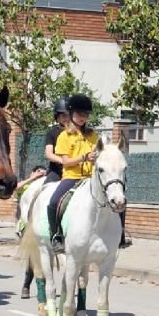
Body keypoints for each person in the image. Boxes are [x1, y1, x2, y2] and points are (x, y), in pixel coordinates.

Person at [48, 94, 99, 254]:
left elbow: (98, 154)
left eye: (85, 114)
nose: (82, 117)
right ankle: (56, 235)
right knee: (54, 202)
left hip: (91, 177)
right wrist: (84, 157)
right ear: (71, 114)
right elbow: (65, 162)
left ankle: (120, 235)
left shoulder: (93, 135)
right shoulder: (64, 136)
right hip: (72, 177)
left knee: (116, 198)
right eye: (79, 114)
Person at [44, 97, 70, 182]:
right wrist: (63, 160)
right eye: (63, 116)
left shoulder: (79, 132)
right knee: (47, 187)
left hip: (75, 170)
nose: (67, 118)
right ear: (57, 117)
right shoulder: (52, 133)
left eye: (69, 115)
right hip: (57, 171)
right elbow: (48, 154)